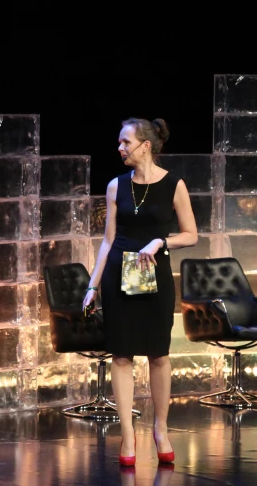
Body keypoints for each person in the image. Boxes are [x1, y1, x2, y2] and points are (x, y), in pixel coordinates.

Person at [83, 118, 197, 467]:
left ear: (145, 145)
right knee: (121, 354)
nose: (119, 148)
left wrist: (162, 241)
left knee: (159, 354)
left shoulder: (174, 184)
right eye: (119, 142)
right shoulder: (116, 185)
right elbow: (107, 241)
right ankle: (128, 434)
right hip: (121, 273)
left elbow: (191, 234)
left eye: (124, 142)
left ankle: (160, 428)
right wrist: (93, 284)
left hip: (155, 275)